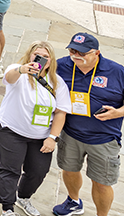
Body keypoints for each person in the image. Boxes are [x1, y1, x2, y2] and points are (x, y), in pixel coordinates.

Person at [51, 32, 124, 216]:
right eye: (73, 51)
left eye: (82, 53)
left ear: (96, 53)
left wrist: (119, 112)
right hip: (70, 134)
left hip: (103, 139)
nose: (76, 56)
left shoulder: (117, 72)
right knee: (68, 170)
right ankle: (74, 201)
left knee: (101, 183)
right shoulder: (61, 65)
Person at [0, 41, 69, 216]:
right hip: (12, 130)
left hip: (40, 135)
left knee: (38, 171)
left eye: (45, 56)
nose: (40, 59)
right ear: (29, 55)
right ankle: (7, 207)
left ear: (51, 61)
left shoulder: (57, 83)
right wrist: (22, 70)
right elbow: (9, 77)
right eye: (37, 55)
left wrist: (53, 137)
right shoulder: (17, 70)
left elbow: (60, 112)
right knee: (10, 170)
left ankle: (23, 197)